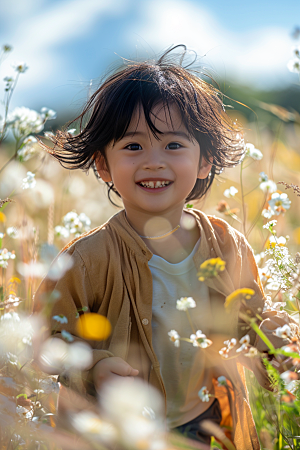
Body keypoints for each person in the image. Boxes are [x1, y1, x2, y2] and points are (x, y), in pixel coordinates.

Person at [35, 45, 299, 449]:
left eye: (174, 145)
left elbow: (249, 321)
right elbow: (47, 340)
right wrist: (96, 368)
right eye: (133, 146)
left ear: (205, 161)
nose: (154, 161)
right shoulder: (87, 260)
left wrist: (280, 343)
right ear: (103, 165)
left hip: (208, 421)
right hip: (119, 431)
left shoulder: (227, 245)